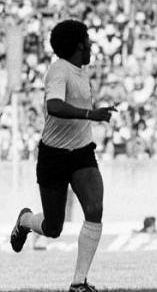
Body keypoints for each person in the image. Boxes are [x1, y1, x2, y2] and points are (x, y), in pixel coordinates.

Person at [10, 20, 117, 292]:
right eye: (88, 39)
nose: (92, 44)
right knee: (54, 227)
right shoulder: (58, 69)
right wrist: (90, 114)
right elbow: (54, 105)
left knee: (94, 209)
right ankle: (24, 221)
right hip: (54, 156)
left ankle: (78, 283)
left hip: (82, 153)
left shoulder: (80, 72)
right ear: (79, 44)